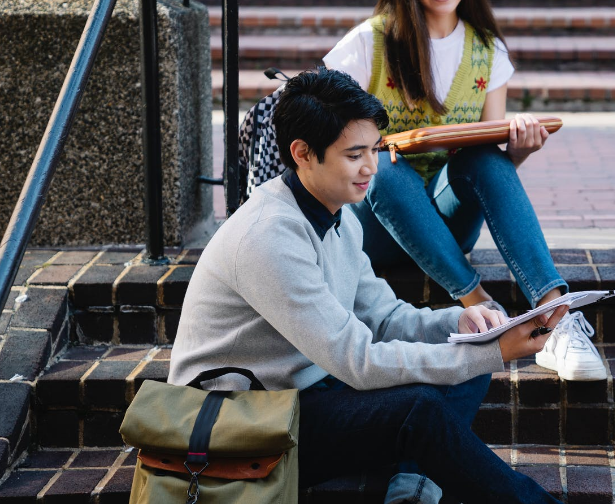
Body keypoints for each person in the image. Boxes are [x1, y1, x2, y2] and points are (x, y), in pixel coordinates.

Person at [169, 67, 568, 504]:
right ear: (302, 153)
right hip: (242, 424)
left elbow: (385, 317)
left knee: (466, 360)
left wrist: (465, 322)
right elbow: (357, 360)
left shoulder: (336, 214)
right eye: (354, 154)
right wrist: (497, 351)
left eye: (374, 149)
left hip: (307, 389)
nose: (371, 168)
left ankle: (413, 487)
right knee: (423, 408)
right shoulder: (268, 235)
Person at [323, 0, 606, 381]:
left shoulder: (487, 48)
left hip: (447, 227)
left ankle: (557, 319)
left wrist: (521, 149)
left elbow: (486, 155)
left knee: (484, 158)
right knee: (383, 167)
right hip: (373, 226)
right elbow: (326, 137)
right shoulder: (368, 44)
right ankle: (484, 310)